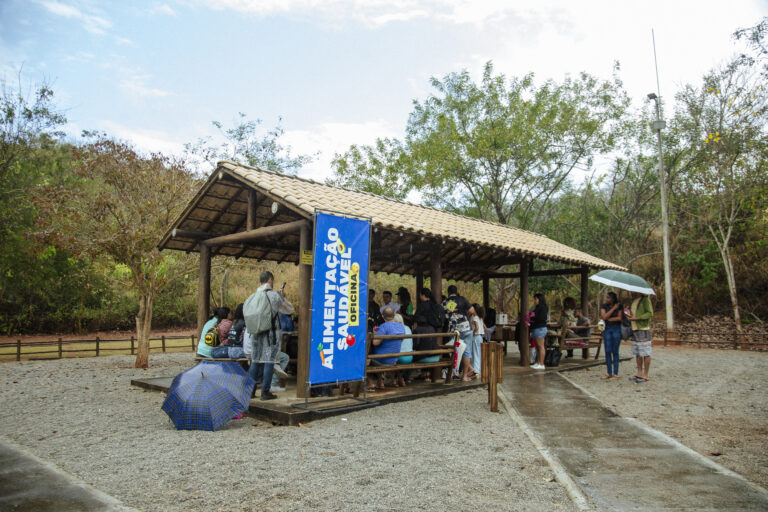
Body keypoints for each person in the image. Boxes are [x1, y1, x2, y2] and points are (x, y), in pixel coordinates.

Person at [247, 271, 295, 400]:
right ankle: (265, 392)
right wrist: (283, 297)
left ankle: (250, 392)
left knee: (255, 362)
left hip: (256, 333)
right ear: (270, 280)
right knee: (269, 361)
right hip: (271, 334)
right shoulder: (274, 295)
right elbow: (289, 309)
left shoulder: (254, 295)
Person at [442, 285, 475, 381]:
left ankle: (454, 373)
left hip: (454, 331)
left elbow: (444, 316)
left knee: (455, 351)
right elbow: (472, 311)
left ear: (448, 293)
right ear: (456, 292)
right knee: (467, 352)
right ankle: (465, 376)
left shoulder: (445, 302)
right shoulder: (462, 299)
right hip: (466, 328)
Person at [368, 307, 404, 389]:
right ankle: (392, 381)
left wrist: (375, 334)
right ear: (394, 315)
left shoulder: (383, 327)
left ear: (383, 317)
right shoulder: (401, 327)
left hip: (382, 360)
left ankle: (379, 382)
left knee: (369, 360)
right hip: (394, 359)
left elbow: (375, 343)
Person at [412, 288, 444, 381]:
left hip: (423, 331)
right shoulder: (434, 304)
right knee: (430, 347)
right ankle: (427, 374)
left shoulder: (423, 305)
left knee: (421, 347)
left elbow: (415, 317)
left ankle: (424, 373)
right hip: (433, 330)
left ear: (422, 295)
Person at [625, 293, 653, 383]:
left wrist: (638, 318)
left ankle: (646, 374)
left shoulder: (645, 299)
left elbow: (650, 313)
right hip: (634, 328)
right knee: (637, 352)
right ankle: (639, 372)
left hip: (642, 328)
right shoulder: (634, 300)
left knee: (645, 351)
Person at [599, 291, 624, 380]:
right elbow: (604, 317)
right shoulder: (603, 306)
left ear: (613, 299)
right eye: (606, 297)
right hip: (607, 329)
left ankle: (616, 373)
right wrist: (613, 309)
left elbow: (619, 318)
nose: (606, 299)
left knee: (615, 351)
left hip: (616, 328)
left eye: (608, 297)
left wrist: (608, 318)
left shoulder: (620, 306)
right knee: (607, 350)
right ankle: (609, 372)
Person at [529, 294, 548, 369]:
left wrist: (532, 318)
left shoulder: (543, 308)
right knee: (537, 347)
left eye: (535, 299)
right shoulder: (536, 308)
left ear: (539, 299)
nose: (534, 301)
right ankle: (538, 362)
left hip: (540, 327)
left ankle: (541, 363)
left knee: (541, 346)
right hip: (535, 328)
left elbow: (541, 318)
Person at [470, 304, 485, 378]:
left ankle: (476, 371)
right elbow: (485, 328)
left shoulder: (475, 318)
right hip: (480, 337)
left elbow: (477, 327)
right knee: (478, 353)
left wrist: (473, 333)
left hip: (476, 336)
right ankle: (477, 370)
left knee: (475, 353)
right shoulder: (480, 318)